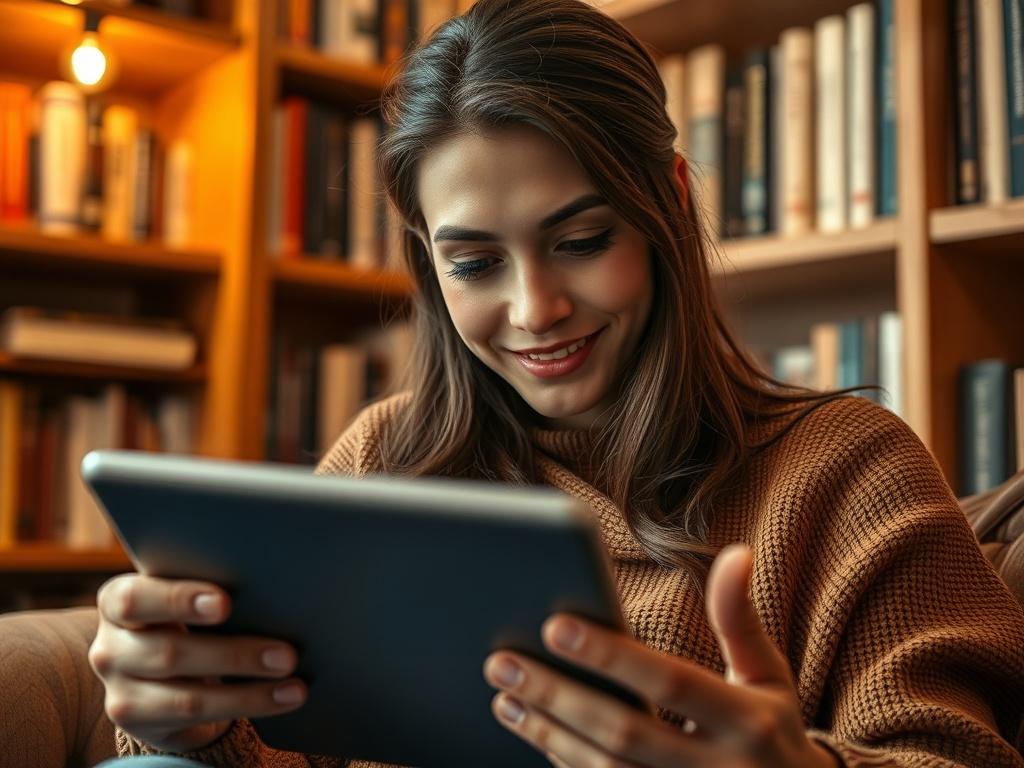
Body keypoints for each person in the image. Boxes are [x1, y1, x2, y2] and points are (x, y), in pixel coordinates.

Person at [91, 0, 1024, 766]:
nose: (535, 309)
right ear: (427, 262)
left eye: (581, 241)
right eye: (474, 263)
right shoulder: (384, 455)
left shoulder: (850, 473)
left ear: (669, 201)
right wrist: (188, 722)